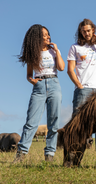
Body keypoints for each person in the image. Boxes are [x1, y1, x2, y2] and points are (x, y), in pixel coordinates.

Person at [14, 24, 65, 162]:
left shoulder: (53, 51)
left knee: (53, 122)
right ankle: (21, 154)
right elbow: (29, 75)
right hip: (39, 87)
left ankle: (50, 155)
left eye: (48, 34)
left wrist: (58, 51)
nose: (48, 36)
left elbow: (61, 67)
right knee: (31, 121)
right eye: (44, 35)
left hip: (54, 84)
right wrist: (34, 81)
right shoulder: (33, 53)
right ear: (37, 37)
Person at [67, 19, 96, 162]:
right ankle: (76, 155)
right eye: (84, 31)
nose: (86, 33)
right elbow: (70, 70)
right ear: (80, 32)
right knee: (79, 123)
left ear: (93, 30)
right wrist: (79, 85)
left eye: (89, 30)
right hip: (83, 90)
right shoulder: (75, 47)